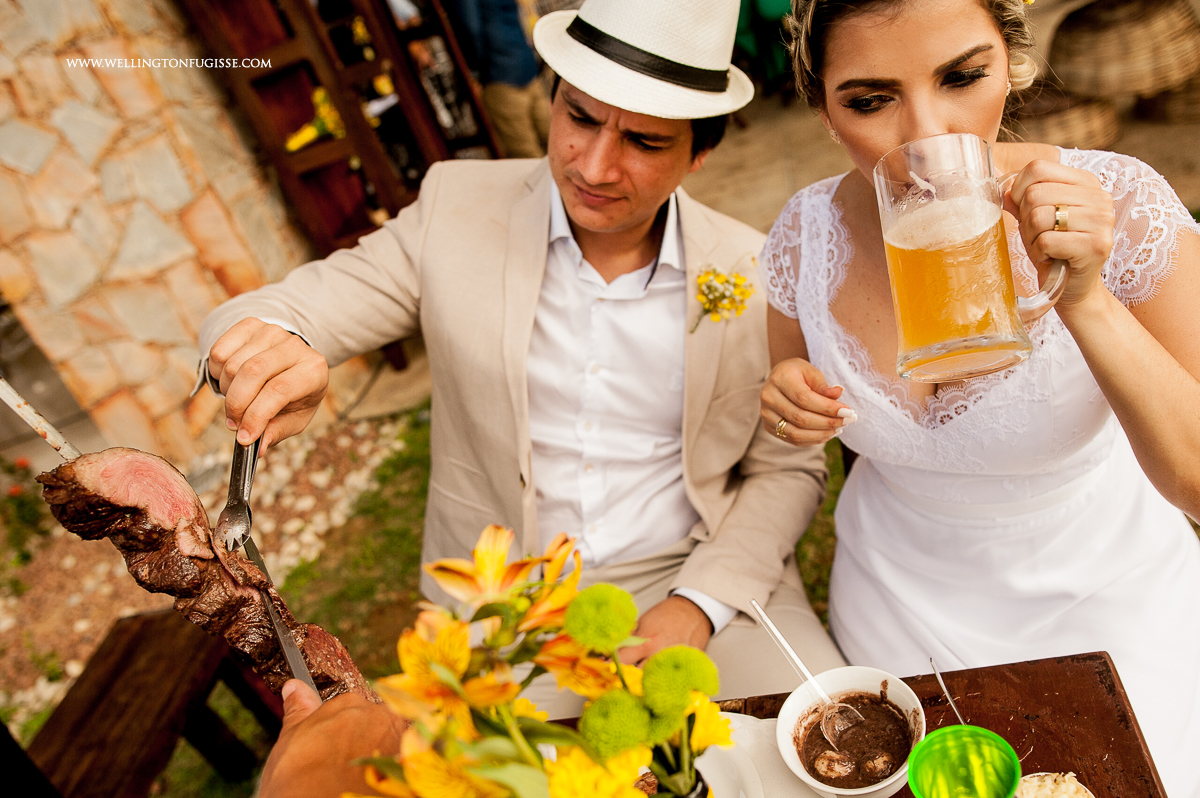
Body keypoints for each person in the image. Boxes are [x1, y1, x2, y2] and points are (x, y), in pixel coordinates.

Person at [197, 0, 845, 719]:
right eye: (580, 118)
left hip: (699, 568)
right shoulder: (455, 206)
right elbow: (289, 307)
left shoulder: (752, 268)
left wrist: (698, 605)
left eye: (644, 141)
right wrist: (275, 345)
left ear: (699, 153)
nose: (595, 165)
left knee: (815, 751)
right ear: (553, 101)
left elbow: (789, 467)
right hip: (503, 597)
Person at [758, 0, 1200, 794]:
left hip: (1106, 607)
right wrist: (792, 401)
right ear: (823, 108)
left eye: (962, 77)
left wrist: (1087, 296)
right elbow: (796, 390)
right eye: (870, 99)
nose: (926, 133)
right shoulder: (802, 233)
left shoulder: (1122, 203)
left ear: (1013, 64)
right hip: (896, 604)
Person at [447, 0, 551, 157]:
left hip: (498, 70)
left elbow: (470, 26)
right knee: (551, 138)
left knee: (525, 153)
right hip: (525, 61)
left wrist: (474, 69)